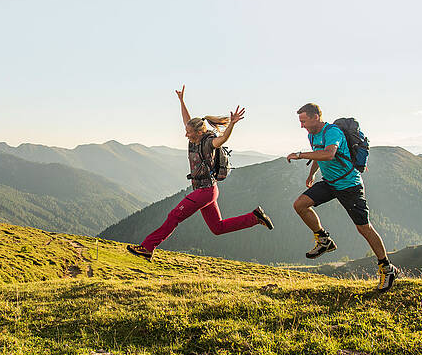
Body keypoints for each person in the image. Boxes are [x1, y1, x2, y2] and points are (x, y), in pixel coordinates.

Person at [127, 86, 273, 261]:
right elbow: (187, 120)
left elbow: (223, 139)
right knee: (217, 228)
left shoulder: (208, 142)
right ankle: (255, 217)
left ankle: (147, 247)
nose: (185, 134)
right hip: (206, 190)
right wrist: (181, 101)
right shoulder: (193, 139)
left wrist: (232, 124)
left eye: (189, 132)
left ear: (198, 132)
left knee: (174, 216)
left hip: (205, 191)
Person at [286, 103, 400, 292]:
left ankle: (387, 268)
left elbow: (329, 154)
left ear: (316, 117)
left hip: (349, 186)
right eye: (300, 122)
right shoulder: (312, 134)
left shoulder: (333, 132)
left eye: (304, 121)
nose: (302, 126)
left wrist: (299, 155)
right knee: (300, 205)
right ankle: (323, 240)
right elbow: (318, 154)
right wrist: (312, 174)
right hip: (330, 183)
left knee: (364, 228)